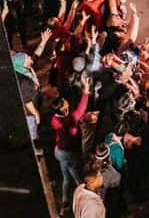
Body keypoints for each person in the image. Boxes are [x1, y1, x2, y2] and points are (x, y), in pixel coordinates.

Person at [52, 77, 91, 213]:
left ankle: (64, 203)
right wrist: (86, 90)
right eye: (65, 104)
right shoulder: (70, 120)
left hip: (58, 151)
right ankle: (86, 204)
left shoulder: (55, 119)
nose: (67, 102)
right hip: (69, 153)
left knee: (66, 178)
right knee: (78, 180)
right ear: (64, 110)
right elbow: (81, 108)